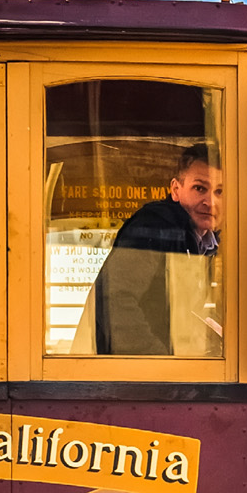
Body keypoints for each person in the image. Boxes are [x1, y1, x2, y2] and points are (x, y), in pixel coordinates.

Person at [77, 143, 225, 356]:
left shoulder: (206, 245)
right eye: (200, 188)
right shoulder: (157, 227)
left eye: (219, 191)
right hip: (129, 376)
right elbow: (115, 298)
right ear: (176, 190)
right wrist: (162, 364)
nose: (210, 201)